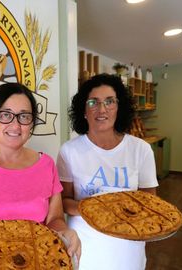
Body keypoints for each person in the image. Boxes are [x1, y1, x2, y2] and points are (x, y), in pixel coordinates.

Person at [0, 82, 81, 263]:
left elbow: (55, 220)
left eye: (24, 117)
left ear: (31, 124)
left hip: (38, 263)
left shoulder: (46, 165)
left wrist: (66, 233)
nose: (15, 124)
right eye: (6, 115)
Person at [57, 73, 158, 270]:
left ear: (119, 108)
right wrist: (97, 211)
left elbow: (150, 203)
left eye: (109, 101)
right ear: (84, 110)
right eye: (93, 102)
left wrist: (119, 213)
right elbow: (63, 201)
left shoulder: (140, 149)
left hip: (128, 248)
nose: (102, 109)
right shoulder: (69, 151)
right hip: (86, 248)